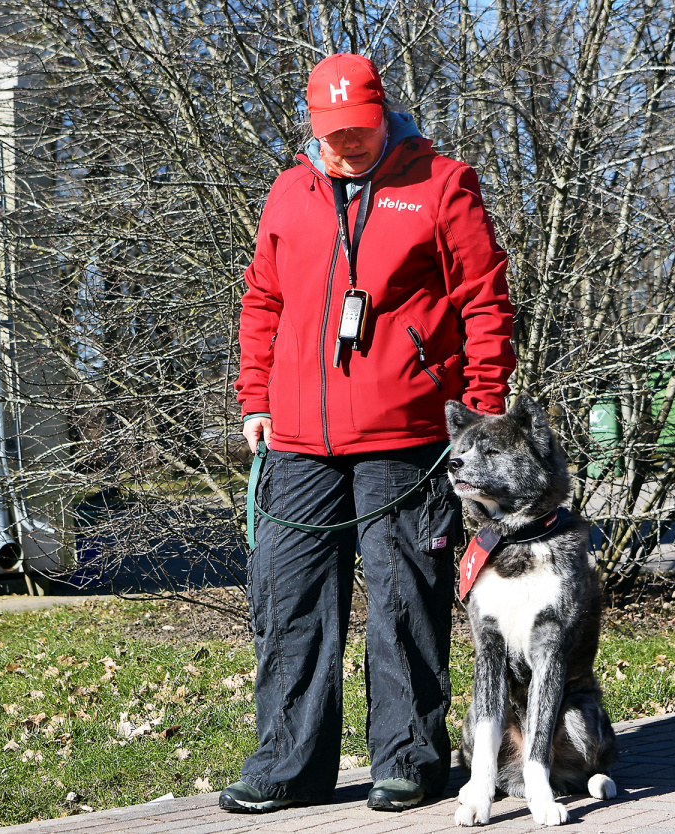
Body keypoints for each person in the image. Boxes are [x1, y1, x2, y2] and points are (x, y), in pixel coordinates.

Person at [224, 52, 516, 813]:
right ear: (311, 124)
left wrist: (480, 413)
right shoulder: (288, 192)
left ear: (384, 114)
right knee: (289, 602)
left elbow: (485, 303)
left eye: (359, 128)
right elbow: (262, 302)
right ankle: (287, 765)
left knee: (403, 603)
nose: (347, 143)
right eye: (333, 131)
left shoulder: (442, 185)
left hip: (407, 435)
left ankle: (409, 758)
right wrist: (255, 398)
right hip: (297, 442)